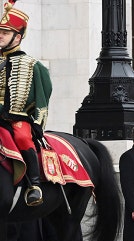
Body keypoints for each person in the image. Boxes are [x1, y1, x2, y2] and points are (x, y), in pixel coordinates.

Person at [0, 1, 52, 206]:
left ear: (18, 36)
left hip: (18, 118)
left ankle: (34, 184)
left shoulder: (33, 65)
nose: (0, 36)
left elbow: (42, 99)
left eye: (5, 32)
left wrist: (38, 124)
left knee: (22, 136)